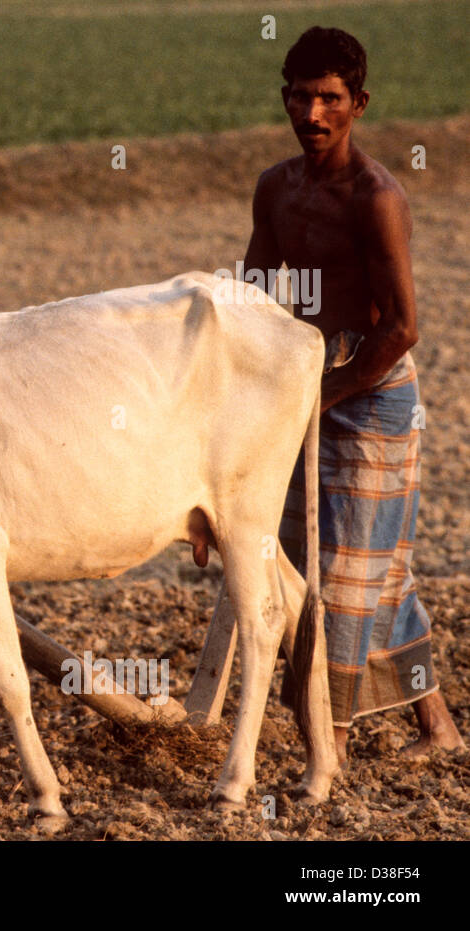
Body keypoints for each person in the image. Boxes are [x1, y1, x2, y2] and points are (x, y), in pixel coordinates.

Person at [242, 26, 463, 763]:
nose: (313, 114)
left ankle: (328, 744)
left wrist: (324, 395)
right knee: (354, 568)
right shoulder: (276, 188)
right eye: (301, 97)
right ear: (285, 98)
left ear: (358, 104)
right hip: (300, 380)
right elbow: (253, 299)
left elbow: (402, 329)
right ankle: (439, 726)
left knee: (346, 574)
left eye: (330, 99)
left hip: (368, 389)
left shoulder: (378, 199)